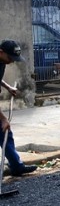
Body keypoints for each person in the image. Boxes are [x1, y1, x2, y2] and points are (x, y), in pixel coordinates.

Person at [0, 40, 36, 176]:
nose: (12, 61)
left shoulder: (2, 61)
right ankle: (16, 166)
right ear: (1, 52)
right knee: (3, 128)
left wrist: (8, 87)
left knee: (4, 134)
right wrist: (3, 119)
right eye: (10, 58)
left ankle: (16, 166)